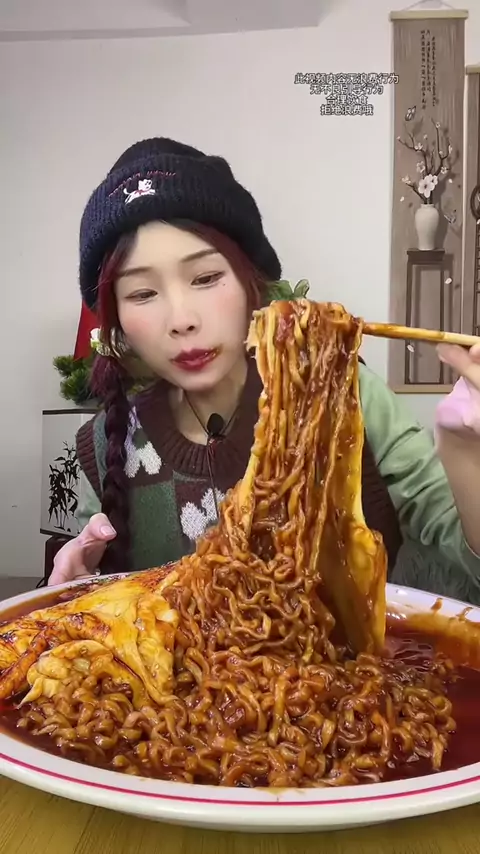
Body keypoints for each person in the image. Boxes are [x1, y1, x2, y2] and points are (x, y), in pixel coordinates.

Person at [49, 136, 480, 604]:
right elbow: (90, 602)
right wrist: (73, 594)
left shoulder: (346, 395)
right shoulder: (106, 442)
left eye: (206, 278)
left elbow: (467, 568)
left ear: (250, 281)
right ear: (116, 317)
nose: (181, 319)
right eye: (142, 294)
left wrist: (466, 452)